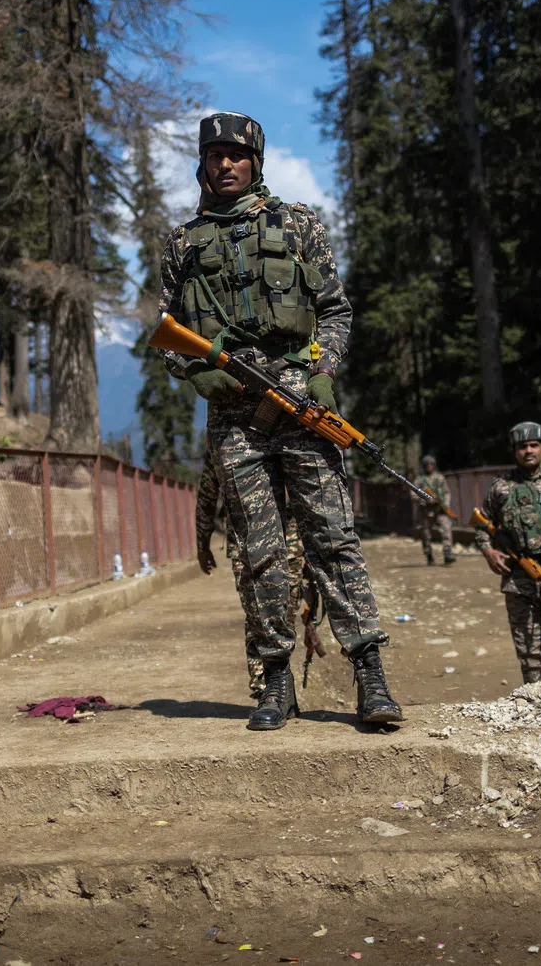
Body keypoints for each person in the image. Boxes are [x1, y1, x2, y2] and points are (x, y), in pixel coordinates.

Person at [158, 111, 402, 730]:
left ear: (256, 163)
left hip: (303, 406)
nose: (226, 164)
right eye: (214, 155)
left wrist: (323, 373)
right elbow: (166, 334)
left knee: (333, 540)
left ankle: (369, 673)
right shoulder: (182, 245)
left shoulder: (298, 225)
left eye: (238, 155)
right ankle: (274, 684)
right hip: (235, 420)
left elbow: (336, 311)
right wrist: (199, 373)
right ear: (202, 165)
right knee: (258, 552)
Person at [474, 421, 541, 683]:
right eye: (522, 446)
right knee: (529, 650)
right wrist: (488, 551)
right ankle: (538, 702)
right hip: (519, 579)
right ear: (514, 451)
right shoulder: (501, 487)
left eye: (534, 445)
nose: (528, 451)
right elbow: (481, 523)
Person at [195, 439, 305, 698]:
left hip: (287, 538)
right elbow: (208, 494)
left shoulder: (281, 434)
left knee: (282, 612)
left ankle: (278, 686)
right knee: (258, 612)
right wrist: (202, 541)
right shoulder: (225, 441)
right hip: (249, 540)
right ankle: (266, 688)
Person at [418, 454, 455, 566]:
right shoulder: (419, 480)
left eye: (431, 464)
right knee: (426, 534)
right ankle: (429, 554)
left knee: (446, 528)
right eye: (427, 465)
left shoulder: (440, 478)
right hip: (426, 511)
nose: (429, 466)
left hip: (440, 509)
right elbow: (413, 494)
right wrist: (425, 501)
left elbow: (447, 492)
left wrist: (444, 504)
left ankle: (447, 553)